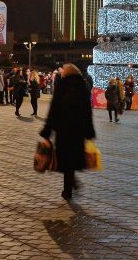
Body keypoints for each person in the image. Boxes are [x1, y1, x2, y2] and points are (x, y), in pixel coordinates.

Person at [39, 64, 96, 200]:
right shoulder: (83, 87)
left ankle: (68, 188)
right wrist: (89, 131)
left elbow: (53, 110)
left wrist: (47, 130)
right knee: (72, 159)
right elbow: (87, 112)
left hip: (63, 130)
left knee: (64, 159)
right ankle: (70, 185)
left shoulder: (62, 86)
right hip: (78, 131)